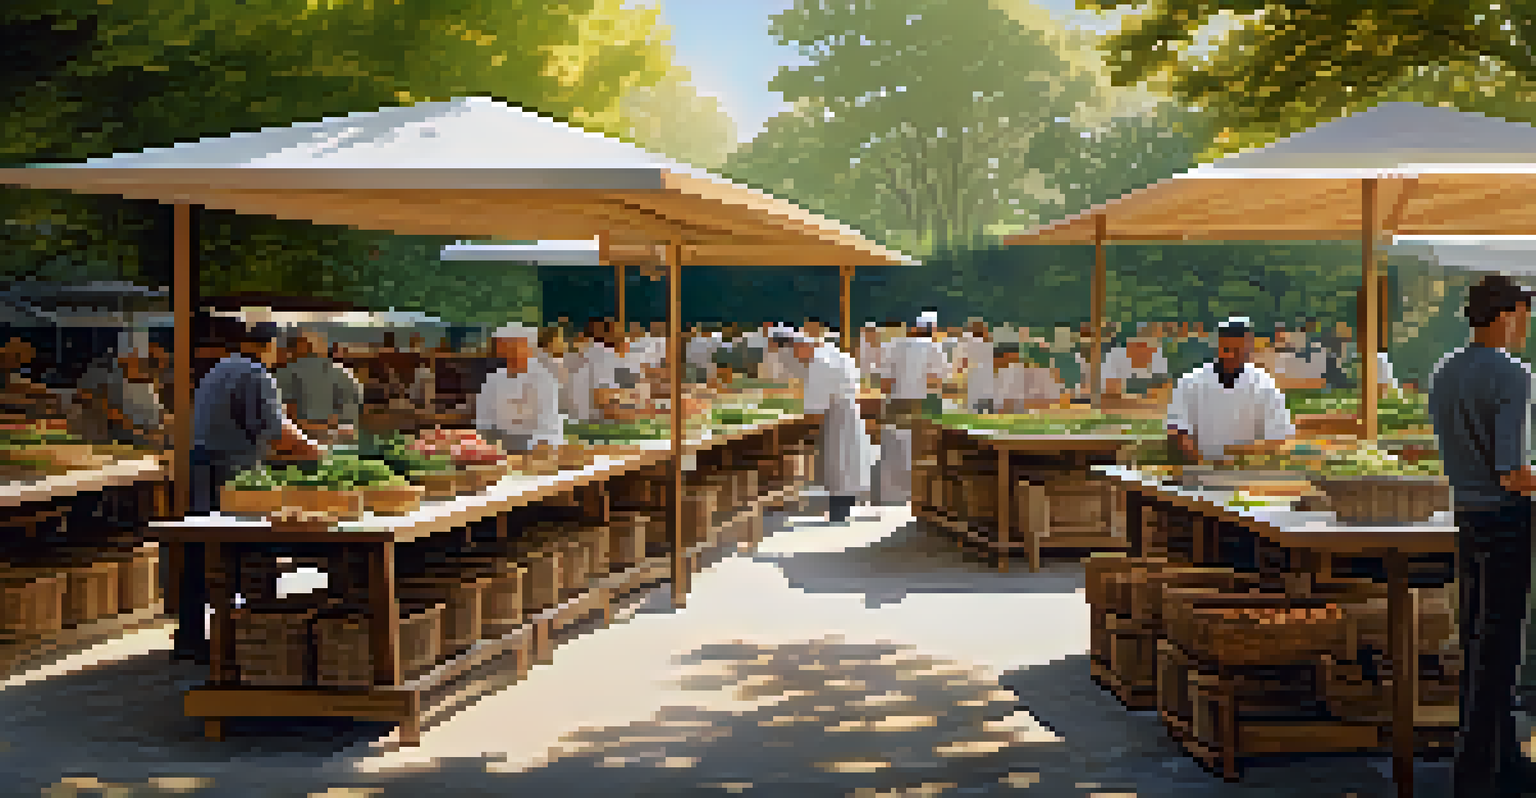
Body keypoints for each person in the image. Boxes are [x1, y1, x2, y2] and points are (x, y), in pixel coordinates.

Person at [1428, 275, 1536, 798]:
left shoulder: (1445, 372)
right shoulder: (1512, 375)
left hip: (1466, 520)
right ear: (1507, 313)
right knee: (1501, 653)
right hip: (1506, 521)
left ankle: (1504, 763)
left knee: (1477, 644)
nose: (1527, 325)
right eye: (1524, 312)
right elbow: (1512, 471)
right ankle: (1478, 777)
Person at [180, 320, 321, 662]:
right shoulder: (257, 375)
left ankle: (191, 637)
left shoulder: (220, 369)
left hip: (201, 465)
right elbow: (276, 432)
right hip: (232, 473)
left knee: (202, 550)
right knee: (248, 551)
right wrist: (315, 450)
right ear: (270, 345)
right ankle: (253, 635)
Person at [1165, 317, 1295, 464]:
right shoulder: (1189, 382)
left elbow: (1279, 437)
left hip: (1247, 474)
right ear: (1218, 347)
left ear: (1249, 350)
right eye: (1226, 350)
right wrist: (1203, 466)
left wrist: (1237, 459)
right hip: (1198, 472)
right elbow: (1178, 432)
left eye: (1238, 351)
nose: (1231, 356)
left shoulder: (1265, 385)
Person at [790, 334, 874, 522]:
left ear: (803, 347)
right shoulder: (838, 355)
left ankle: (839, 511)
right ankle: (847, 505)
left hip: (837, 414)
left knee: (838, 464)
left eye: (796, 352)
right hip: (849, 409)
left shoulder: (819, 363)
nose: (797, 357)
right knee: (850, 460)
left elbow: (815, 405)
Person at [874, 312, 950, 504]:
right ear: (932, 330)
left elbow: (884, 383)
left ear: (914, 329)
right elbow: (937, 381)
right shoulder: (935, 348)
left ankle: (891, 493)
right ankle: (919, 492)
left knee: (893, 445)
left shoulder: (894, 345)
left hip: (896, 401)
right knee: (922, 448)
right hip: (924, 403)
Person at [475, 323, 563, 452]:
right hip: (500, 447)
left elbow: (547, 427)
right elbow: (484, 422)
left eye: (517, 345)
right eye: (507, 345)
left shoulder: (543, 379)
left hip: (537, 447)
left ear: (529, 347)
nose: (512, 351)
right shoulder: (493, 380)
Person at [76, 330, 167, 449]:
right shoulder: (110, 376)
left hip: (146, 434)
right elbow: (106, 408)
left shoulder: (147, 379)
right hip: (127, 438)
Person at [272, 330, 363, 444]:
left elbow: (284, 417)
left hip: (297, 441)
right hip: (334, 440)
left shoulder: (280, 376)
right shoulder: (344, 375)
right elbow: (351, 421)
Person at [1101, 329, 1170, 400]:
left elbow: (1164, 388)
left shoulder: (1158, 358)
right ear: (1129, 346)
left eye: (1148, 347)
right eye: (1139, 345)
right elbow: (1106, 386)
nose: (1143, 350)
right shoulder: (1115, 356)